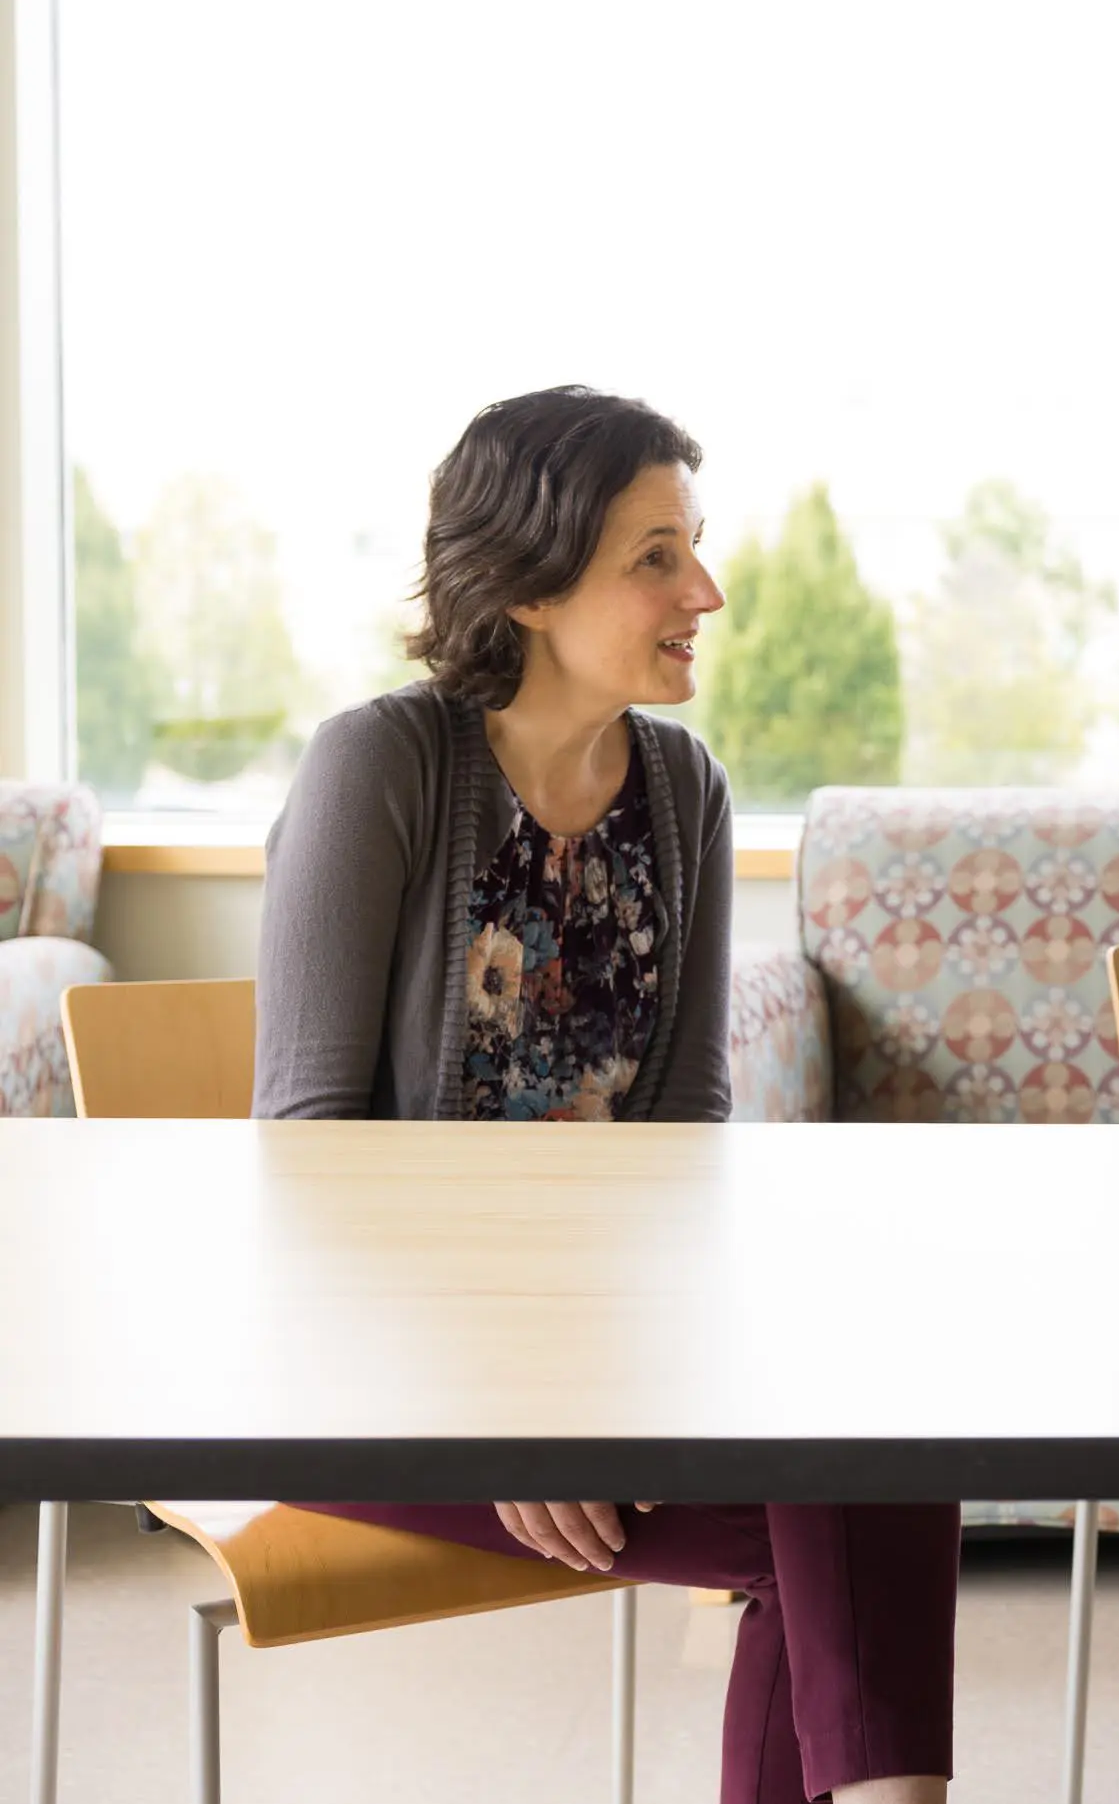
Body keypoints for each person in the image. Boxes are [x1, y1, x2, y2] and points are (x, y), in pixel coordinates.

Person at [254, 387, 958, 1804]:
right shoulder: (380, 767)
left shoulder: (682, 787)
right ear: (525, 580)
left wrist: (604, 1380)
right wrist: (516, 1407)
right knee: (837, 1512)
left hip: (600, 1358)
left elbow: (684, 1144)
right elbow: (312, 1165)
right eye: (655, 557)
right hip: (375, 1370)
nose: (705, 589)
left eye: (694, 547)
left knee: (877, 1432)